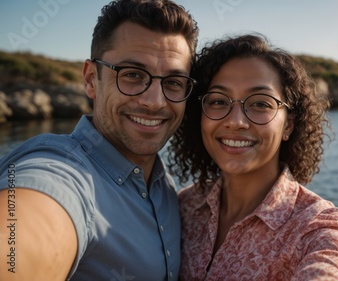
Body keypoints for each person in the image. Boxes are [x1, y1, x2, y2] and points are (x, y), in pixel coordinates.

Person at [0, 0, 198, 280]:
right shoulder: (60, 171)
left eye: (174, 82)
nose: (155, 102)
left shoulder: (163, 186)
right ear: (92, 79)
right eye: (132, 75)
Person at [167, 34, 338, 280]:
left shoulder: (318, 230)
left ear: (289, 126)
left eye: (260, 104)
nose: (235, 121)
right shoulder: (184, 205)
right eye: (218, 101)